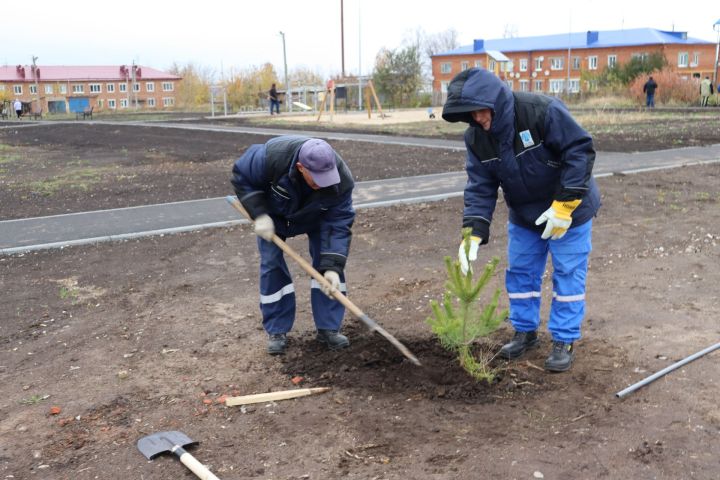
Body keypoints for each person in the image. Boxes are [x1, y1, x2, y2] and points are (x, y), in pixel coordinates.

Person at [441, 68, 601, 372]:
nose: (477, 119)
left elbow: (579, 150)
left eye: (480, 111)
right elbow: (480, 186)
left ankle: (563, 340)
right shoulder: (477, 138)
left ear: (495, 101)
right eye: (469, 115)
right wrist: (473, 232)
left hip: (570, 211)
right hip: (526, 214)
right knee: (521, 274)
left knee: (567, 274)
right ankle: (525, 332)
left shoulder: (540, 112)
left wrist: (564, 205)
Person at [231, 136, 355, 355]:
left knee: (328, 268)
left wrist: (333, 266)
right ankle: (277, 330)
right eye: (317, 179)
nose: (323, 183)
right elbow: (242, 176)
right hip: (275, 217)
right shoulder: (271, 157)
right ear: (300, 167)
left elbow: (338, 223)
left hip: (318, 216)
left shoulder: (340, 180)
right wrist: (259, 214)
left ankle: (329, 328)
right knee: (271, 264)